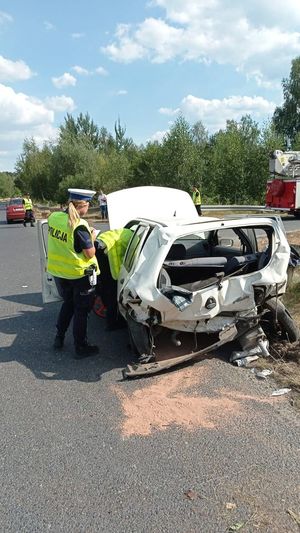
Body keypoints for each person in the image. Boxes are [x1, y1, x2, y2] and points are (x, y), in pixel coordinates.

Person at [47, 188, 100, 359]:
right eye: (88, 205)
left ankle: (59, 337)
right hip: (79, 275)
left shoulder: (54, 217)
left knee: (68, 304)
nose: (88, 208)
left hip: (60, 273)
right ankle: (80, 346)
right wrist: (91, 235)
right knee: (81, 310)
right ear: (82, 206)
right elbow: (90, 253)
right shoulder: (80, 226)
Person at [94, 228, 133, 330]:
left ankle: (106, 307)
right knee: (113, 291)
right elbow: (131, 256)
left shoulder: (126, 231)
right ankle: (112, 323)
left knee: (104, 284)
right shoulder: (135, 239)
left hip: (99, 246)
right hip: (105, 252)